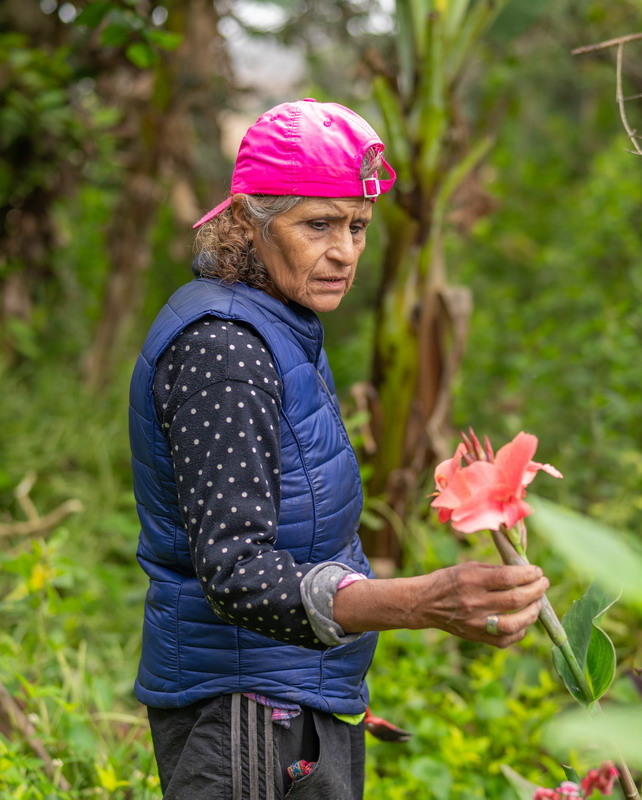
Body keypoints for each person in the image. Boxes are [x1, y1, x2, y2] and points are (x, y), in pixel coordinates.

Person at [129, 98, 549, 800]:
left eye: (357, 225)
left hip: (293, 702)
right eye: (317, 225)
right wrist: (424, 600)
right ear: (247, 222)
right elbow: (236, 571)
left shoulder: (279, 322)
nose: (346, 251)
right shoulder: (226, 350)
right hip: (248, 715)